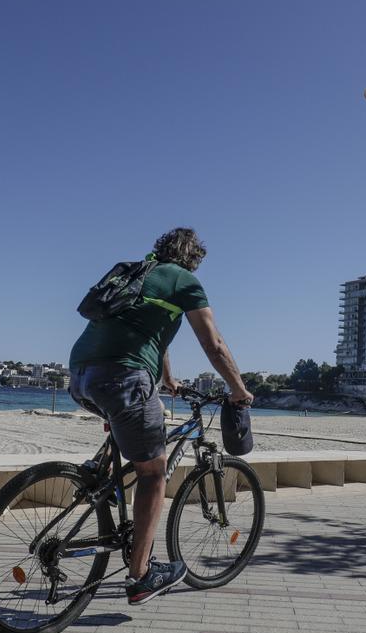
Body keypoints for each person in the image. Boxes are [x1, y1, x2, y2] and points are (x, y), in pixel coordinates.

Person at [68, 227, 254, 605]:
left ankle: (98, 479)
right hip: (124, 376)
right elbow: (213, 344)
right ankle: (141, 575)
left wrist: (167, 378)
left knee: (126, 426)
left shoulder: (138, 273)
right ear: (193, 259)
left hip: (81, 374)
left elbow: (154, 335)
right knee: (154, 473)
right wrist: (238, 389)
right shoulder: (185, 281)